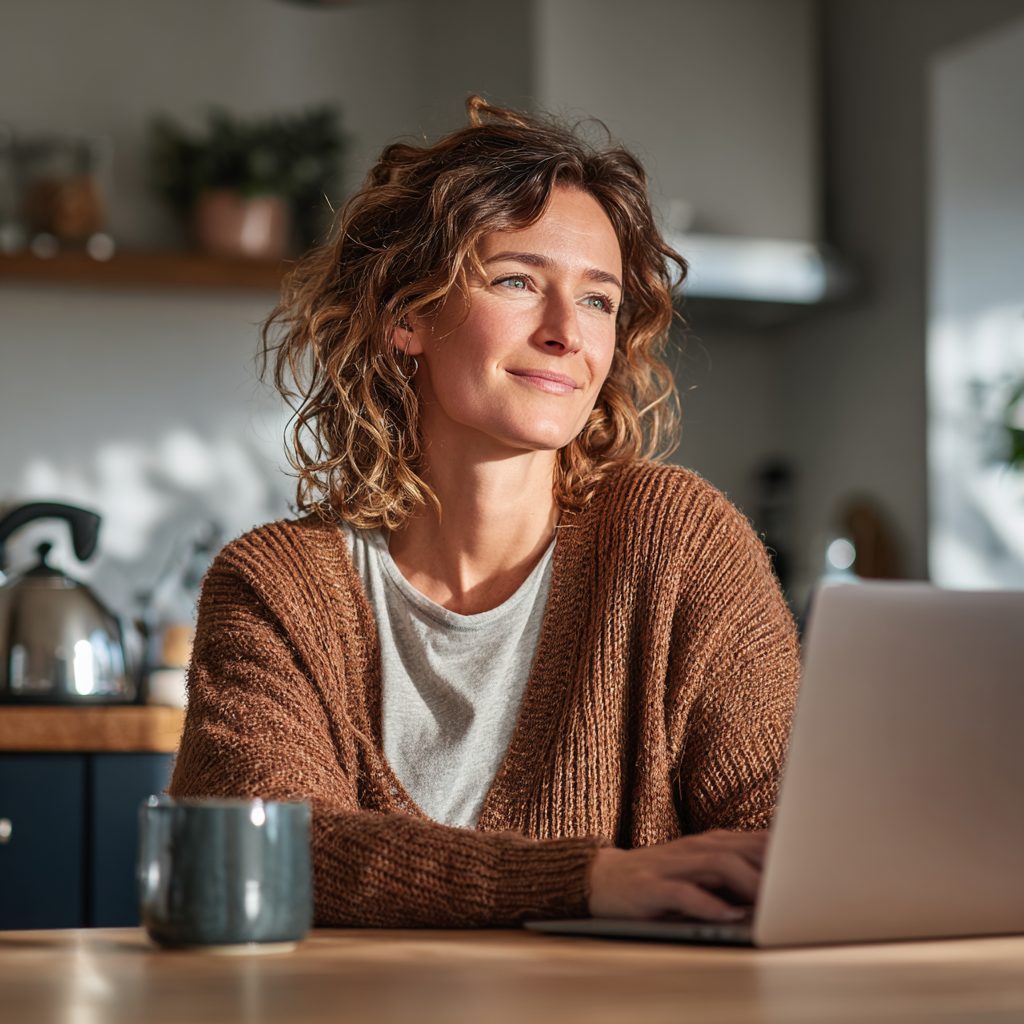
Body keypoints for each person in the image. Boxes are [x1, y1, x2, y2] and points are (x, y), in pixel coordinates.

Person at [169, 97, 800, 927]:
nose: (566, 333)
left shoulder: (678, 540)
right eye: (517, 281)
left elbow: (786, 835)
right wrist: (585, 882)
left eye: (600, 300)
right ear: (407, 315)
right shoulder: (277, 586)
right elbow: (265, 849)